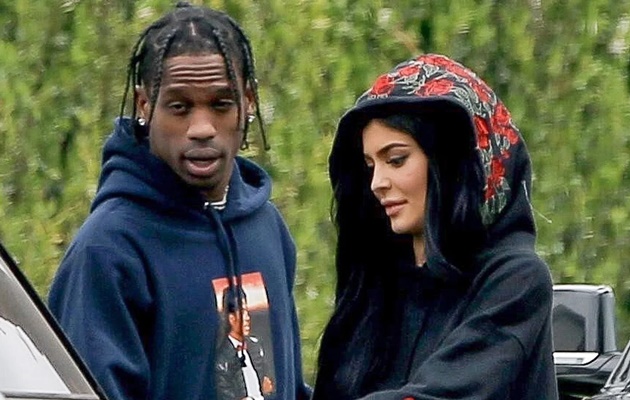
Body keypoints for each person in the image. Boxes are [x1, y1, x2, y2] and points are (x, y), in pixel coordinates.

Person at [48, 3, 310, 400]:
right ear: (145, 106)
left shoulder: (266, 227)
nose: (201, 128)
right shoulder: (108, 250)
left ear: (249, 102)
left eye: (221, 104)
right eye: (179, 107)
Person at [312, 53, 558, 399]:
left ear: (450, 162)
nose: (377, 183)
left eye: (396, 160)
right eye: (369, 166)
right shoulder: (375, 284)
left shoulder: (515, 281)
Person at [215, 286, 273, 400]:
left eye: (247, 312)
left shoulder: (256, 346)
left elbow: (268, 383)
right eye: (243, 312)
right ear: (231, 318)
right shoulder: (221, 359)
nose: (247, 318)